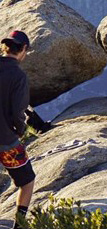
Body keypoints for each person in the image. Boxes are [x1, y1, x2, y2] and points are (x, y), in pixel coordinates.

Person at [0, 31, 36, 229]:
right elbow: (18, 112)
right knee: (27, 181)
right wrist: (20, 131)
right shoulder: (18, 76)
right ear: (23, 50)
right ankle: (20, 224)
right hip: (6, 141)